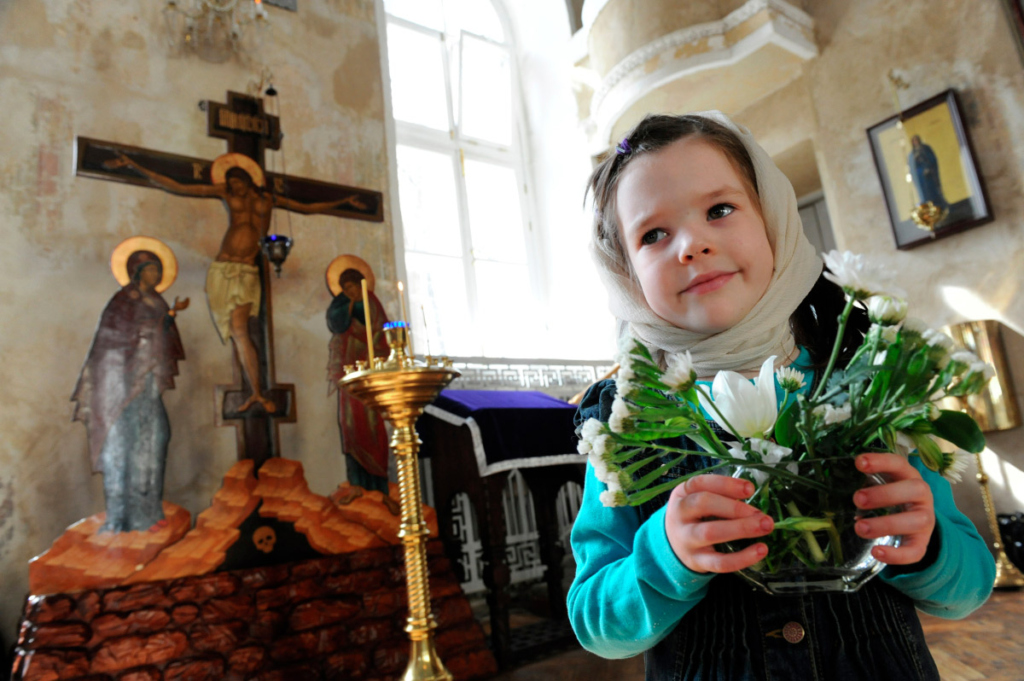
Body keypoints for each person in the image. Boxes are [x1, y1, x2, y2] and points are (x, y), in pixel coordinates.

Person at [567, 113, 995, 680]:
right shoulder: (625, 421)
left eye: (720, 209)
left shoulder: (869, 382)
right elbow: (596, 624)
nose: (692, 245)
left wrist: (928, 542)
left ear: (773, 219)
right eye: (653, 235)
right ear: (626, 275)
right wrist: (664, 554)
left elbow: (969, 588)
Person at [106, 152, 364, 412]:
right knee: (238, 332)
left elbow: (306, 207)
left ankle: (256, 392)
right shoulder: (226, 194)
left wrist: (343, 201)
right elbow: (180, 186)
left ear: (247, 180)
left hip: (247, 271)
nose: (234, 188)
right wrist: (136, 165)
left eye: (237, 183)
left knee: (241, 331)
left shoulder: (268, 198)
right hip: (223, 269)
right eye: (231, 184)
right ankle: (256, 393)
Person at [72, 250, 188, 533]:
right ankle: (121, 518)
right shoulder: (122, 301)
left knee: (155, 441)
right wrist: (156, 325)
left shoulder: (157, 301)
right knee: (124, 447)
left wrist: (169, 316)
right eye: (150, 269)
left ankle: (148, 513)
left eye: (158, 269)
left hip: (147, 383)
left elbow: (162, 335)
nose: (156, 274)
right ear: (137, 271)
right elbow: (112, 340)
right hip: (122, 387)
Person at [325, 267, 398, 513]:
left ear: (362, 285)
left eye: (353, 287)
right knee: (349, 427)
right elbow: (337, 324)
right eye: (346, 289)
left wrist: (369, 352)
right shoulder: (343, 305)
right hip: (349, 377)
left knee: (373, 429)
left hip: (370, 376)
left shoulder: (372, 304)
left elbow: (382, 336)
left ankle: (382, 491)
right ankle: (356, 486)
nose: (350, 292)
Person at [908, 134, 949, 214]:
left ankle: (939, 207)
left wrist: (928, 168)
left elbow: (932, 159)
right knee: (925, 194)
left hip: (930, 176)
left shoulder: (925, 148)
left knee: (934, 192)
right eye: (914, 141)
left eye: (916, 140)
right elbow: (913, 168)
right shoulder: (912, 154)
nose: (916, 142)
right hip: (921, 178)